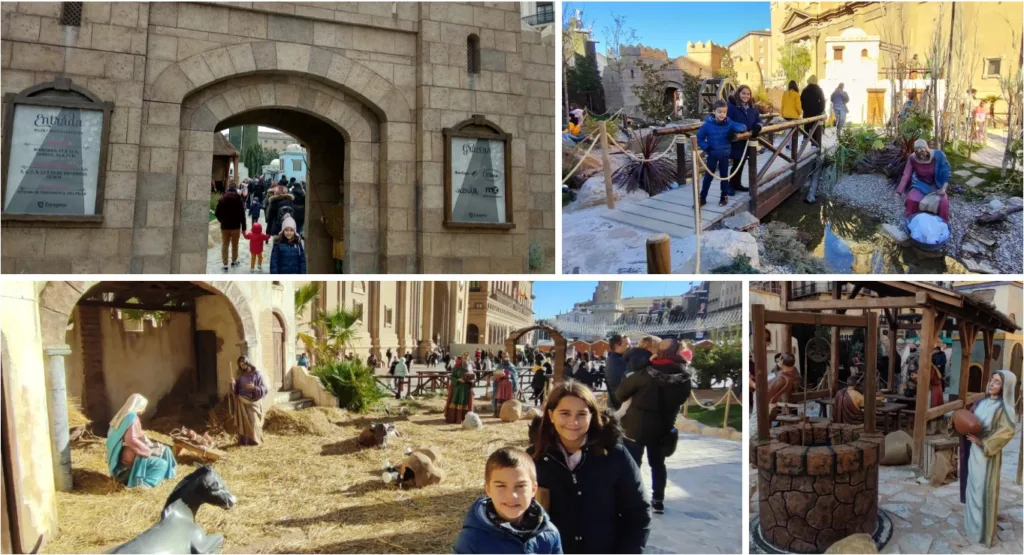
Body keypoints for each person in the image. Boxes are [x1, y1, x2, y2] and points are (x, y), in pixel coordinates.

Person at [528, 381, 651, 554]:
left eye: (582, 414)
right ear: (551, 415)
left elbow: (638, 511)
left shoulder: (614, 455)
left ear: (592, 416)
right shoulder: (533, 459)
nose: (573, 421)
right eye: (565, 413)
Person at [616, 338, 691, 515]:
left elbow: (620, 393)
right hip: (662, 428)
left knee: (632, 464)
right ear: (676, 352)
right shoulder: (684, 377)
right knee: (658, 465)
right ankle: (658, 501)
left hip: (636, 426)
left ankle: (632, 498)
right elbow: (681, 399)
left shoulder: (645, 373)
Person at [454, 447, 562, 554]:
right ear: (488, 489)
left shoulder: (549, 534)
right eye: (501, 486)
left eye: (520, 486)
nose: (512, 495)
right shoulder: (472, 540)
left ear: (533, 489)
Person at [960, 370, 1017, 546]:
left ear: (1005, 387)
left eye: (997, 382)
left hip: (987, 456)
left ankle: (981, 534)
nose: (992, 384)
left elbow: (1008, 431)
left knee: (982, 492)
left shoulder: (1004, 409)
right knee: (972, 489)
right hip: (974, 455)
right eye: (992, 380)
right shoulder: (981, 402)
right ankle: (971, 527)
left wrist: (984, 443)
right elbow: (970, 420)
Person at [105, 394, 177, 488]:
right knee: (161, 463)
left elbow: (139, 436)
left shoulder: (124, 417)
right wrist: (147, 450)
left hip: (132, 450)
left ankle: (166, 476)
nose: (144, 409)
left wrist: (150, 444)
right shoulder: (131, 417)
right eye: (144, 406)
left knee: (165, 450)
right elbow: (131, 439)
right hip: (129, 455)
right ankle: (145, 485)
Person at [697, 99, 748, 207]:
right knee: (708, 177)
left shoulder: (729, 123)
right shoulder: (707, 125)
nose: (722, 114)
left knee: (724, 177)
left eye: (724, 112)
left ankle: (724, 196)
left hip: (725, 155)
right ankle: (702, 197)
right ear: (714, 111)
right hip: (712, 154)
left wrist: (734, 131)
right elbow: (700, 138)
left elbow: (743, 127)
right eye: (719, 112)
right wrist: (707, 147)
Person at [896, 139, 951, 222]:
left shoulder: (939, 155)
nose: (921, 156)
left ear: (927, 149)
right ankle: (910, 221)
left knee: (943, 202)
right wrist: (899, 191)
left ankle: (943, 223)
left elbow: (946, 171)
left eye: (922, 152)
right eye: (917, 153)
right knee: (911, 199)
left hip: (937, 185)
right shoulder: (912, 158)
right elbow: (906, 174)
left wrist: (943, 188)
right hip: (920, 184)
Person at [726, 85, 763, 194]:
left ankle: (737, 184)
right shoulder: (731, 107)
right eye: (743, 93)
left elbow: (758, 120)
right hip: (735, 139)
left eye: (748, 94)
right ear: (738, 93)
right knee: (736, 162)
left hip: (748, 139)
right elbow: (726, 121)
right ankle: (730, 185)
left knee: (741, 162)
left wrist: (757, 127)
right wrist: (730, 131)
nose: (746, 96)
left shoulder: (753, 107)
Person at [230, 356, 268, 445]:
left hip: (253, 402)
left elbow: (265, 389)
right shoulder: (240, 375)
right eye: (240, 365)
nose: (242, 366)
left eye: (243, 364)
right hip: (242, 401)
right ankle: (245, 442)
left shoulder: (257, 374)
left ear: (248, 363)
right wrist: (232, 384)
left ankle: (256, 441)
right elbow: (235, 391)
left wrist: (254, 388)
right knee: (244, 423)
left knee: (254, 423)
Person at [215, 182, 247, 272]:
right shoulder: (239, 199)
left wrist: (221, 220)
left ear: (228, 188)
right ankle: (234, 261)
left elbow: (216, 213)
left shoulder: (222, 199)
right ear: (236, 188)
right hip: (236, 226)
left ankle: (225, 264)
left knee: (225, 245)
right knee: (235, 244)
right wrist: (244, 228)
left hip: (225, 227)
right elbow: (242, 215)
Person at [445, 356, 475, 424]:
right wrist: (458, 380)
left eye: (466, 359)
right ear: (461, 360)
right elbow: (452, 377)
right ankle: (455, 418)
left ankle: (465, 418)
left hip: (466, 389)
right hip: (457, 388)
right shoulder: (456, 368)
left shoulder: (469, 367)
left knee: (465, 402)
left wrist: (471, 379)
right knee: (456, 401)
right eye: (464, 359)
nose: (465, 360)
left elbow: (472, 377)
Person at [604, 335, 630, 410]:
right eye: (627, 344)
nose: (629, 347)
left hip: (617, 404)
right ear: (617, 346)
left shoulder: (615, 359)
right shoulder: (616, 361)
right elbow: (622, 384)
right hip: (618, 406)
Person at [800, 75, 826, 148]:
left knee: (806, 126)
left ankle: (804, 139)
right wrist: (821, 110)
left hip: (807, 112)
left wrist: (804, 109)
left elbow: (801, 101)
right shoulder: (819, 90)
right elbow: (823, 101)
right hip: (816, 112)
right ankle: (814, 144)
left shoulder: (805, 90)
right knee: (815, 127)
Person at [780, 80, 802, 154]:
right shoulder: (796, 94)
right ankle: (792, 146)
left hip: (785, 115)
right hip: (793, 116)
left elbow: (782, 105)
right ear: (795, 86)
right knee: (793, 132)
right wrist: (800, 113)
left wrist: (782, 114)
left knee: (787, 131)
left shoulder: (785, 93)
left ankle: (787, 144)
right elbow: (797, 106)